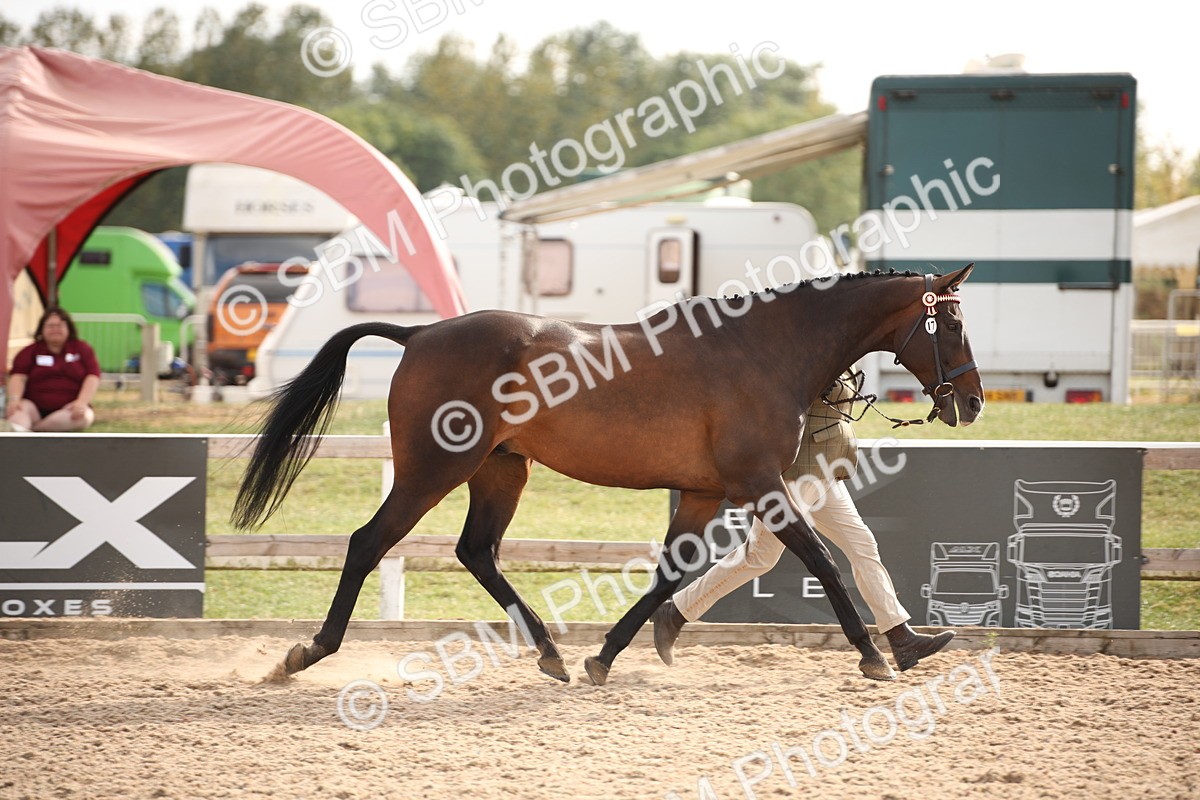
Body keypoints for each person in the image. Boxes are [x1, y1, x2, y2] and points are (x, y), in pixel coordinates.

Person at [651, 370, 955, 675]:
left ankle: (900, 637)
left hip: (827, 471)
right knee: (759, 557)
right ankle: (675, 612)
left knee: (863, 545)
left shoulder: (844, 351)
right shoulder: (810, 349)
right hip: (800, 473)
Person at [5, 307, 101, 432]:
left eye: (60, 325)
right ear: (42, 329)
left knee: (84, 417)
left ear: (68, 328)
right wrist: (15, 399)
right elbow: (18, 376)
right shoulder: (30, 351)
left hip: (69, 408)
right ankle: (23, 435)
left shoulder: (82, 349)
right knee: (17, 413)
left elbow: (92, 376)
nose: (55, 329)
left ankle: (35, 432)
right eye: (50, 326)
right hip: (34, 407)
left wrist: (81, 402)